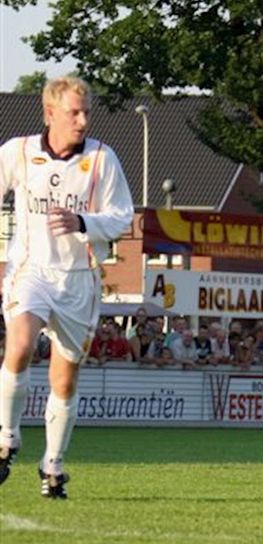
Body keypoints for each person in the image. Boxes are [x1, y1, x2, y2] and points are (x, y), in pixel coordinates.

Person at [0, 76, 135, 498]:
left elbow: (123, 216)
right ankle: (7, 439)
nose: (82, 120)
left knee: (64, 379)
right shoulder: (18, 152)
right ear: (50, 113)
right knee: (19, 346)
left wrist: (84, 223)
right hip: (32, 269)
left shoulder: (101, 159)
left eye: (86, 112)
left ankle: (52, 466)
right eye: (74, 112)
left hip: (78, 280)